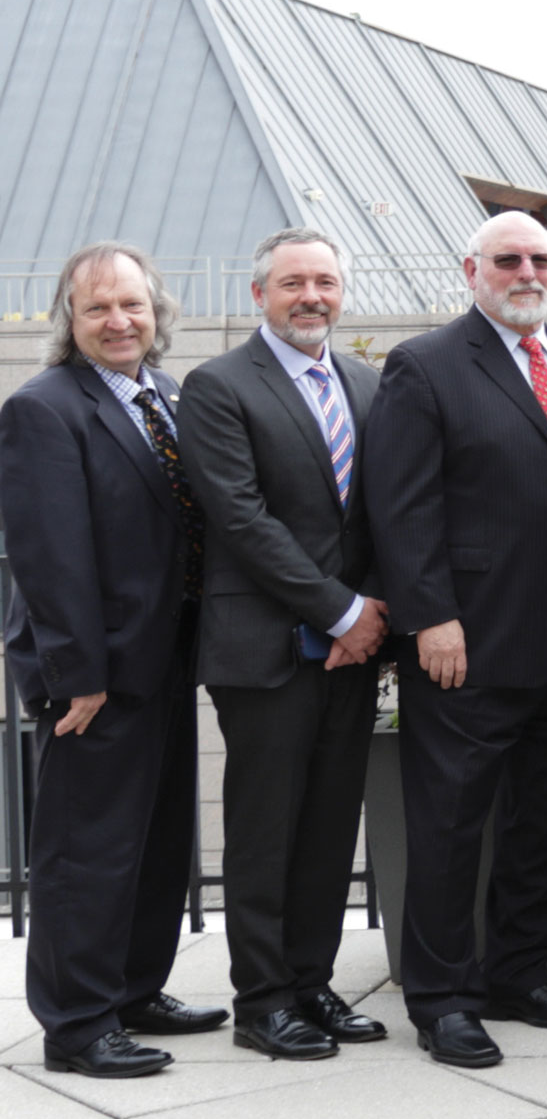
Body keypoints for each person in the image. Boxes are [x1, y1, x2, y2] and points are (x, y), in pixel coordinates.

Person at [367, 211, 547, 1069]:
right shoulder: (426, 365)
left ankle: (519, 972)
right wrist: (429, 615)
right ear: (470, 269)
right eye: (508, 259)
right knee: (447, 827)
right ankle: (441, 999)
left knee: (543, 821)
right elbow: (399, 508)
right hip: (464, 643)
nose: (527, 272)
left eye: (542, 260)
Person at [0, 244, 221, 1079]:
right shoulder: (43, 408)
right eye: (98, 309)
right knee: (87, 850)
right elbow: (48, 555)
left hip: (167, 658)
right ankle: (78, 1024)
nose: (120, 321)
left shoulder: (164, 395)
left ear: (157, 311)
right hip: (94, 675)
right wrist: (78, 675)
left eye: (132, 305)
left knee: (158, 841)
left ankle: (134, 990)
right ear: (71, 320)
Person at [181, 229, 391, 1061]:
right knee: (267, 827)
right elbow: (238, 517)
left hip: (352, 643)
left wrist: (369, 613)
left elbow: (387, 508)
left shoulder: (368, 385)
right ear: (260, 294)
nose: (313, 296)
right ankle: (261, 1001)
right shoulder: (219, 385)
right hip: (266, 646)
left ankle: (311, 982)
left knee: (331, 822)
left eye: (327, 282)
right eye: (294, 282)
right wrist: (341, 610)